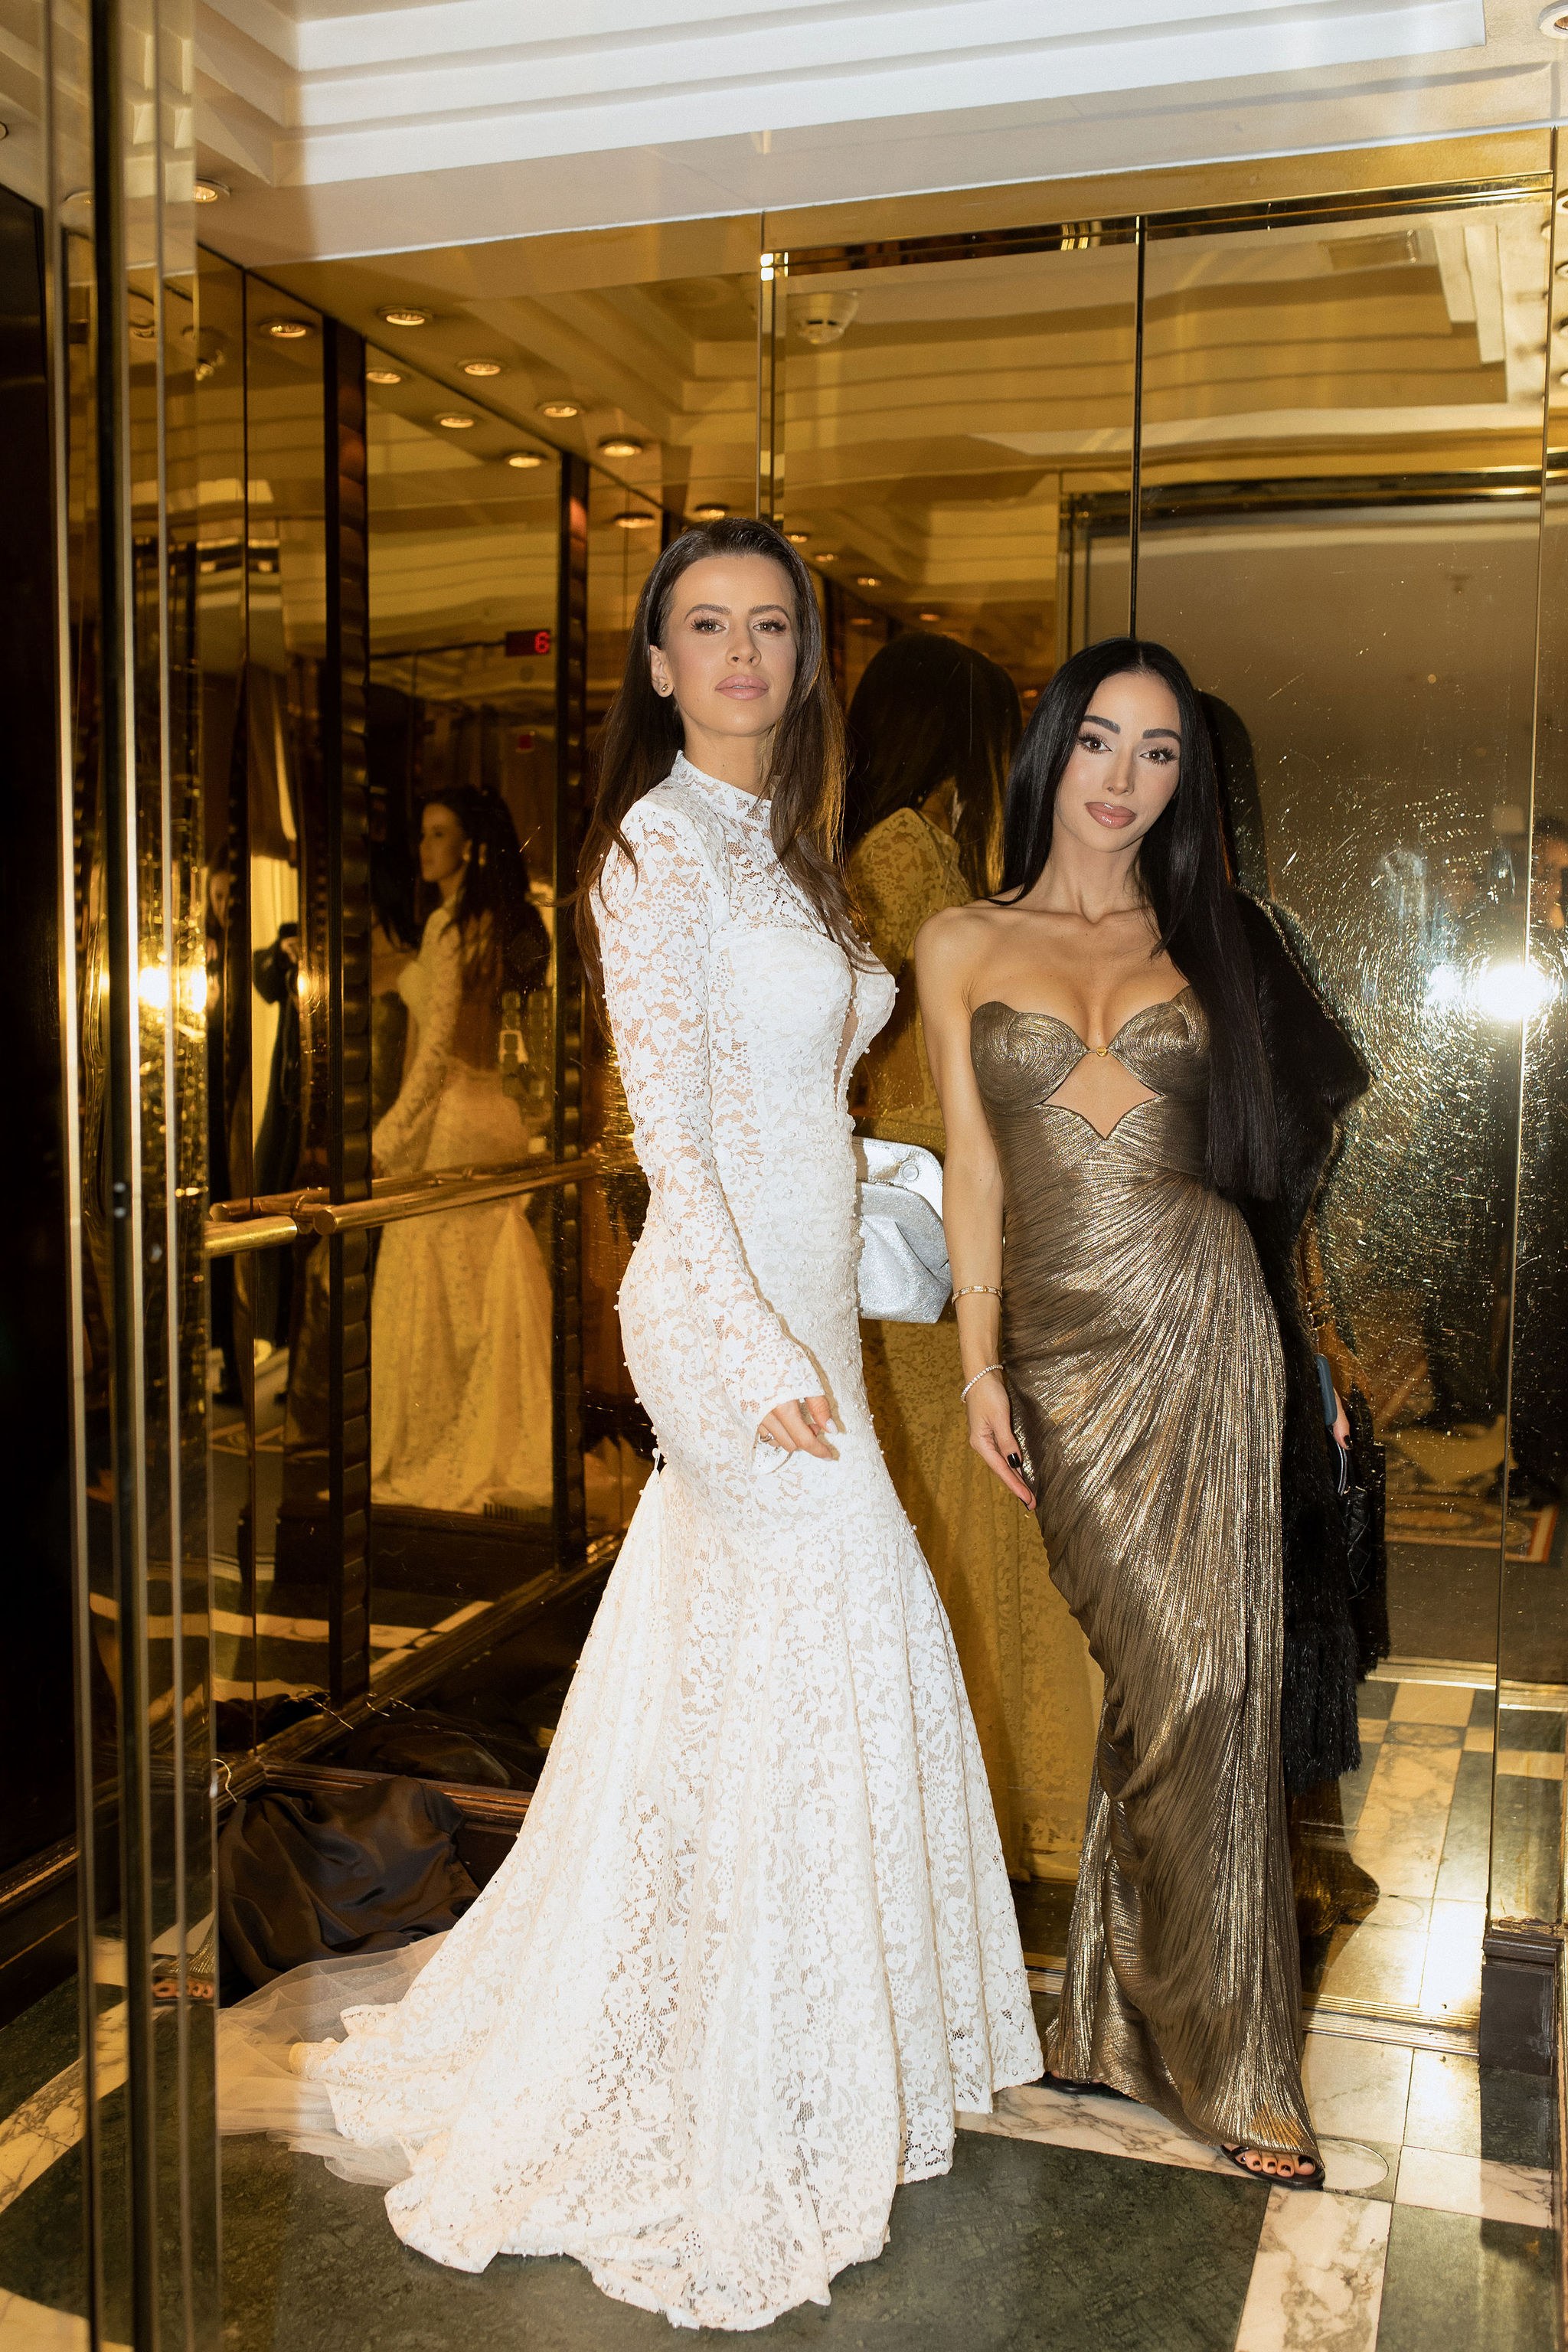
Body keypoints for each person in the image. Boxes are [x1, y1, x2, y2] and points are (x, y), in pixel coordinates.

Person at [218, 516, 1039, 2329]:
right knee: (835, 1634)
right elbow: (673, 1132)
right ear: (658, 667)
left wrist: (863, 1221)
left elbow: (792, 1095)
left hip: (806, 1291)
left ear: (804, 657)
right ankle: (743, 2067)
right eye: (706, 626)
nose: (741, 653)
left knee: (729, 1670)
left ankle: (766, 2031)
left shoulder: (787, 845)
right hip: (724, 1317)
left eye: (770, 624)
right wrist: (747, 1342)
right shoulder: (652, 847)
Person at [917, 635, 1369, 2187]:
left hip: (1208, 1325)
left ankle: (1228, 2061)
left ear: (1186, 780)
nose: (1122, 777)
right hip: (1059, 1351)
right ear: (1052, 751)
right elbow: (972, 1168)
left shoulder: (1216, 938)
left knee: (1209, 1681)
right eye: (1100, 740)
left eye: (1158, 751)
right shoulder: (960, 938)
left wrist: (1312, 1359)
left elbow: (1281, 1177)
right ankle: (1125, 2015)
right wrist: (978, 1366)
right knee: (1158, 1676)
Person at [843, 631, 1099, 1883]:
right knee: (963, 1501)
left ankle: (959, 1803)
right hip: (928, 1206)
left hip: (924, 1201)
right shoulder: (901, 849)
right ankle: (985, 1805)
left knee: (953, 1500)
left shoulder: (895, 844)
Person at [369, 787, 554, 1514]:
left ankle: (433, 1444)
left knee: (431, 1292)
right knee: (476, 1294)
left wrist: (386, 1136)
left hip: (454, 1122)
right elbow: (522, 1041)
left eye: (439, 834)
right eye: (424, 833)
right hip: (499, 1115)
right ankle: (488, 1436)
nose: (425, 848)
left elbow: (437, 1052)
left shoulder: (450, 926)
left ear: (471, 846)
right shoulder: (508, 924)